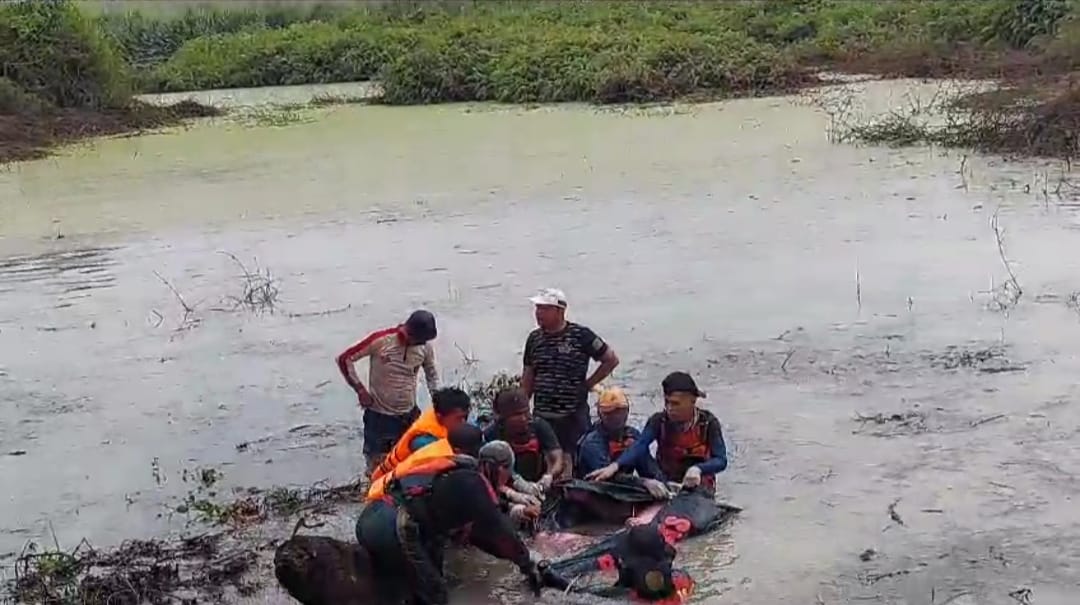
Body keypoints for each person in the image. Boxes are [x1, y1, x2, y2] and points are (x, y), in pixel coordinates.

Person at [356, 423, 554, 605]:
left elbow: (482, 537)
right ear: (498, 468)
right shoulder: (474, 485)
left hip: (374, 515)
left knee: (404, 588)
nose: (505, 482)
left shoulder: (455, 471)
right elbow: (501, 533)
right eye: (507, 474)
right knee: (436, 594)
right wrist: (528, 565)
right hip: (392, 526)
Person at [522, 287, 620, 478]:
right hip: (543, 414)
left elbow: (610, 360)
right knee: (546, 463)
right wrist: (522, 405)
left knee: (577, 461)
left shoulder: (581, 336)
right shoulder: (534, 339)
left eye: (544, 309)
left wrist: (589, 383)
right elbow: (528, 375)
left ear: (560, 311)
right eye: (537, 308)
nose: (538, 313)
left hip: (573, 414)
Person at [586, 372, 727, 497]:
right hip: (666, 484)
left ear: (692, 401)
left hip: (699, 487)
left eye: (676, 404)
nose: (670, 409)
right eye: (667, 402)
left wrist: (698, 469)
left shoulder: (709, 423)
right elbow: (639, 446)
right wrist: (615, 466)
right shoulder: (658, 421)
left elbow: (721, 460)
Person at [336, 309, 440, 479]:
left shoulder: (424, 347)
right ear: (408, 332)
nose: (418, 344)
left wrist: (437, 401)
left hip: (409, 414)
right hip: (380, 416)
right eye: (416, 340)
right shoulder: (381, 341)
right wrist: (360, 390)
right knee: (376, 466)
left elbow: (431, 374)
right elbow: (344, 359)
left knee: (410, 462)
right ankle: (374, 495)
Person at [576, 386, 668, 498]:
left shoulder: (633, 435)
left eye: (620, 411)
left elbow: (648, 467)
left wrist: (664, 484)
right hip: (594, 494)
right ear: (600, 414)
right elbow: (606, 479)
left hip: (624, 492)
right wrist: (643, 483)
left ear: (627, 411)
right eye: (609, 413)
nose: (616, 417)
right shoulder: (591, 443)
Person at [370, 386, 471, 481]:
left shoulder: (442, 417)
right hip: (391, 484)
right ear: (439, 417)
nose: (463, 423)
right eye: (459, 419)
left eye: (465, 417)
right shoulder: (424, 442)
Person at [366, 422, 484, 502]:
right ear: (459, 451)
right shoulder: (443, 462)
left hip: (381, 489)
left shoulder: (445, 445)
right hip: (381, 498)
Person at [483, 388, 564, 489]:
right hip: (507, 486)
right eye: (517, 415)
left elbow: (557, 457)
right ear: (503, 417)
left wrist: (549, 476)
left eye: (526, 412)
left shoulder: (539, 426)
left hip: (539, 483)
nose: (524, 418)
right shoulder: (492, 433)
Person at [478, 440, 543, 527]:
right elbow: (491, 516)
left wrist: (513, 505)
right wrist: (515, 512)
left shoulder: (478, 476)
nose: (509, 475)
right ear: (501, 470)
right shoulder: (478, 488)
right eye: (508, 471)